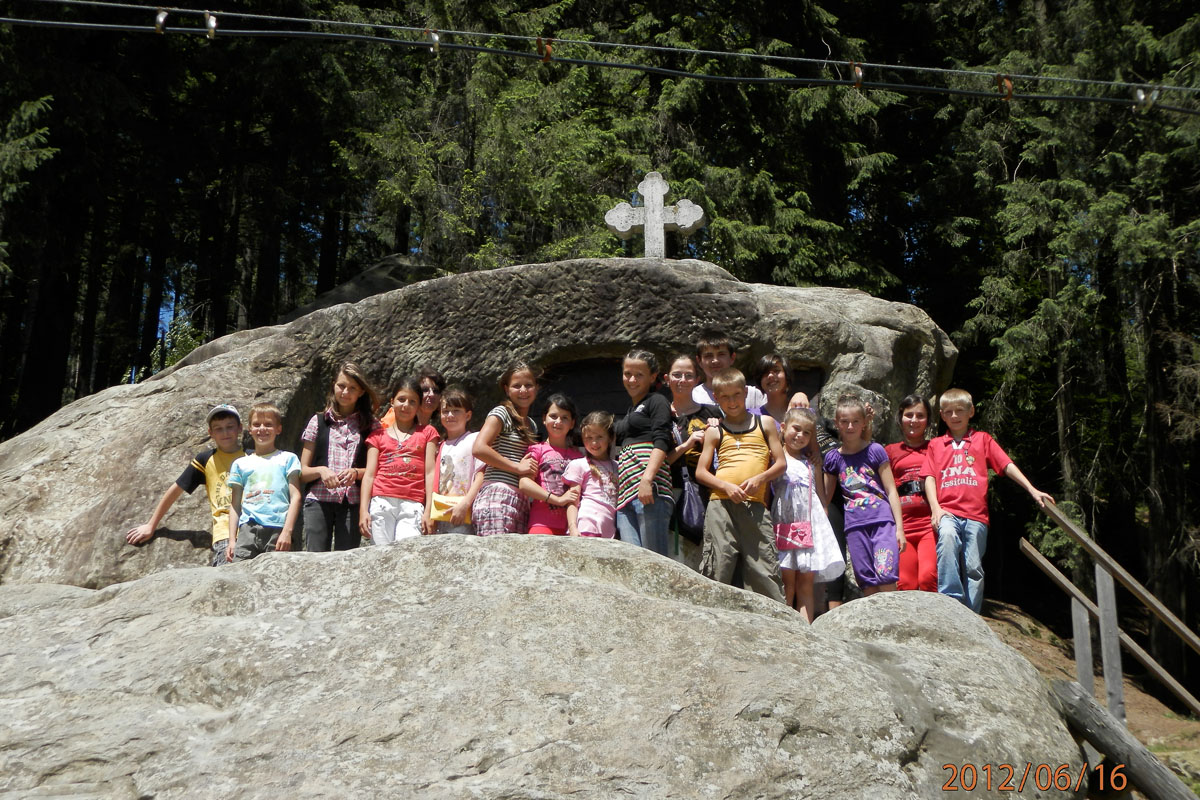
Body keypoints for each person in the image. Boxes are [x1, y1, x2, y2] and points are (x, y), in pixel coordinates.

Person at [922, 388, 1055, 612]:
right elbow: (929, 477)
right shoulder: (936, 444)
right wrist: (935, 508)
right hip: (947, 511)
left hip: (976, 515)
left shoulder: (982, 440)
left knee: (974, 567)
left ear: (971, 412)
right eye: (949, 412)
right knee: (946, 540)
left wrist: (1032, 489)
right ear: (942, 415)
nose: (955, 416)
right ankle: (951, 603)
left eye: (960, 411)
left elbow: (1006, 465)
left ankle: (972, 613)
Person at [695, 368, 787, 602]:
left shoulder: (764, 423)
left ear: (746, 393)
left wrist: (760, 479)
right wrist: (725, 487)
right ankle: (712, 617)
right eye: (724, 397)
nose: (732, 401)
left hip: (754, 505)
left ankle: (776, 622)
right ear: (716, 398)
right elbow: (701, 472)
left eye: (736, 394)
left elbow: (781, 463)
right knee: (719, 563)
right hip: (721, 505)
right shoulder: (715, 430)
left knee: (763, 565)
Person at [125, 404, 245, 565]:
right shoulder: (205, 459)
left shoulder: (252, 456)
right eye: (218, 428)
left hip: (254, 528)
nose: (225, 432)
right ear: (211, 433)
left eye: (230, 427)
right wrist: (151, 525)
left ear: (240, 428)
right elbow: (176, 490)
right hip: (224, 532)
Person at [822, 393, 906, 595]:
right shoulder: (833, 458)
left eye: (855, 422)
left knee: (885, 574)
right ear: (837, 423)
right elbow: (825, 497)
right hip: (854, 526)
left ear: (863, 423)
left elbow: (891, 489)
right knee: (866, 579)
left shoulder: (875, 450)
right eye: (845, 422)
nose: (850, 427)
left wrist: (899, 528)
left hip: (882, 522)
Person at [298, 362, 378, 552]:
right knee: (315, 559)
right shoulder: (317, 421)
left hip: (352, 502)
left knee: (347, 560)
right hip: (318, 499)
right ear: (333, 385)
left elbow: (377, 469)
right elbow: (302, 471)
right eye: (341, 386)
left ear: (361, 392)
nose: (345, 392)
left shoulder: (371, 425)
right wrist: (321, 471)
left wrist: (356, 472)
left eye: (352, 388)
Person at [773, 408, 844, 620]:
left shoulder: (810, 462)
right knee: (787, 581)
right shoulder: (777, 458)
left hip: (808, 525)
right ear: (784, 428)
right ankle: (784, 623)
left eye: (806, 433)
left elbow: (821, 498)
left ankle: (806, 626)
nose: (800, 436)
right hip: (785, 521)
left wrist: (819, 464)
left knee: (806, 582)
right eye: (796, 429)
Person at [360, 378, 440, 544]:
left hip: (413, 503)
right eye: (401, 399)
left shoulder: (427, 433)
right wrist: (363, 511)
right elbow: (369, 475)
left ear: (418, 406)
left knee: (406, 555)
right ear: (392, 401)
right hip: (381, 501)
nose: (406, 405)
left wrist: (430, 510)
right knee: (381, 555)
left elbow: (430, 472)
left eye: (412, 402)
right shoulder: (377, 436)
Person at [614, 350, 675, 553]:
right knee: (635, 566)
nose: (631, 380)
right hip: (626, 498)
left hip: (649, 493)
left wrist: (647, 480)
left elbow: (662, 440)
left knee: (655, 561)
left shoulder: (656, 401)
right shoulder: (632, 410)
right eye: (627, 373)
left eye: (639, 374)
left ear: (652, 376)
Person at [227, 402, 302, 561]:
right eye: (256, 424)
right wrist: (232, 540)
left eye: (268, 424)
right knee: (239, 574)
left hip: (277, 527)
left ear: (278, 429)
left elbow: (295, 497)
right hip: (248, 529)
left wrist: (287, 532)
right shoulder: (240, 464)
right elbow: (235, 504)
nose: (262, 428)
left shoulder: (288, 459)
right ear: (250, 429)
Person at [472, 363, 539, 536]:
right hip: (498, 494)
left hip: (520, 499)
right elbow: (479, 448)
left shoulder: (531, 424)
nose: (523, 390)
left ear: (536, 388)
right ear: (506, 389)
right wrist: (517, 468)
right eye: (517, 386)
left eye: (528, 385)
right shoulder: (502, 413)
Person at [664, 353, 719, 544]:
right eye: (677, 375)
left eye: (688, 375)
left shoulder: (712, 412)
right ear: (667, 378)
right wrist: (686, 445)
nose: (682, 380)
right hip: (673, 493)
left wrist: (715, 433)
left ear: (697, 380)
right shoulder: (661, 415)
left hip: (708, 493)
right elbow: (660, 462)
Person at [885, 394, 938, 592]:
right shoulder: (890, 451)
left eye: (920, 416)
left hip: (929, 526)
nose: (914, 420)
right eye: (909, 415)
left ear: (928, 420)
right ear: (900, 418)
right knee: (905, 584)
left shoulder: (936, 447)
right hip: (902, 526)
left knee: (927, 579)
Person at [519, 393, 582, 535]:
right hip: (541, 523)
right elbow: (524, 483)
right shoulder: (536, 450)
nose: (558, 422)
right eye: (553, 416)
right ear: (543, 419)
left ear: (572, 423)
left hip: (570, 527)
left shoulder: (578, 457)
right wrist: (557, 500)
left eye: (564, 418)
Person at [431, 387, 485, 535]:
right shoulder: (439, 446)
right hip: (441, 513)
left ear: (468, 415)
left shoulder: (475, 439)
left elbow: (481, 475)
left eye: (456, 410)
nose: (450, 415)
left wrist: (466, 503)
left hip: (464, 512)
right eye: (445, 411)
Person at [563, 411, 619, 538]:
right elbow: (573, 499)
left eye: (599, 437)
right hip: (587, 524)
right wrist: (573, 527)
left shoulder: (617, 466)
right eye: (589, 438)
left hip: (609, 528)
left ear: (610, 438)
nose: (594, 443)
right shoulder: (579, 464)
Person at [692, 332, 767, 410]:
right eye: (708, 356)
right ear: (699, 361)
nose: (715, 361)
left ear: (732, 358)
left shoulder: (753, 395)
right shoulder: (693, 397)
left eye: (721, 354)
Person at [754, 354, 793, 425]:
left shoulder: (804, 413)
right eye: (765, 373)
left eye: (776, 370)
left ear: (786, 375)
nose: (770, 376)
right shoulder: (753, 417)